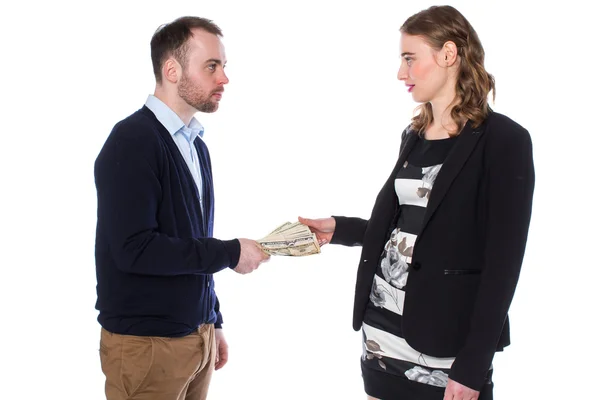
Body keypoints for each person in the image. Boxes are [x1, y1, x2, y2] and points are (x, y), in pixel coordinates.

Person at [300, 5, 534, 400]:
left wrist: (473, 366)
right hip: (383, 332)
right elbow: (410, 227)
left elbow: (503, 266)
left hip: (447, 346)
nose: (400, 72)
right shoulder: (414, 134)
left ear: (448, 55)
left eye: (410, 58)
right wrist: (340, 228)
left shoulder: (505, 141)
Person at [94, 16, 269, 400]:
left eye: (223, 66)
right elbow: (135, 249)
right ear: (171, 70)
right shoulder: (133, 141)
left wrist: (213, 318)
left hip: (197, 339)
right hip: (147, 346)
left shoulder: (195, 145)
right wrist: (230, 252)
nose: (224, 78)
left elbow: (190, 241)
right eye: (212, 66)